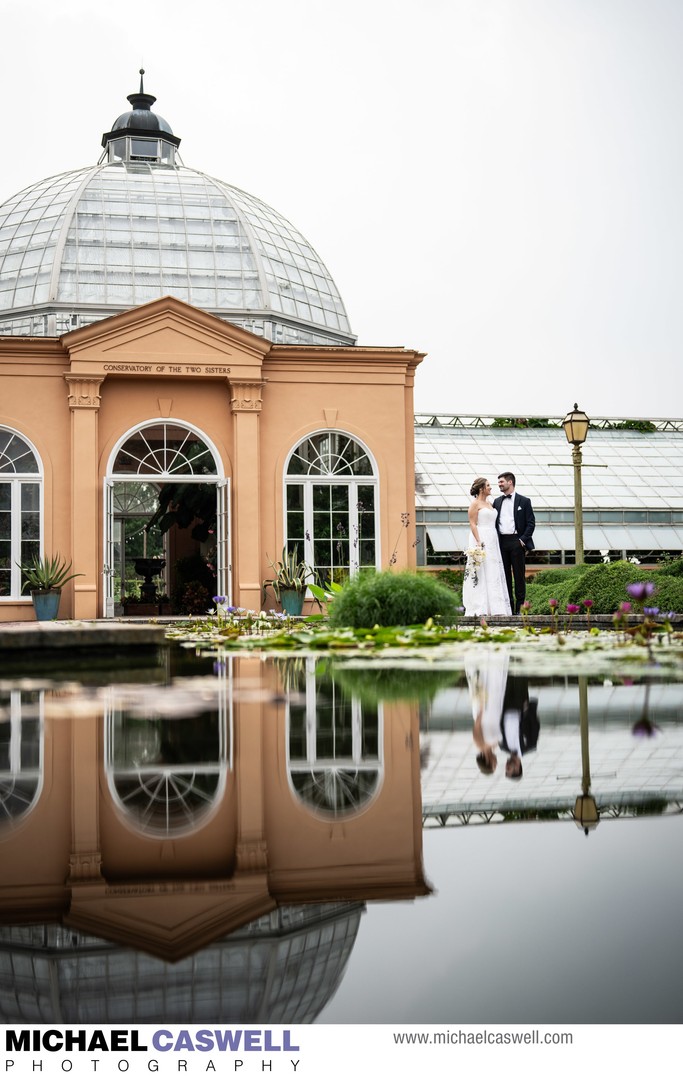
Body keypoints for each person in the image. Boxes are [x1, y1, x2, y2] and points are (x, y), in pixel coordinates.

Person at [462, 477, 512, 617]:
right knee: (481, 571)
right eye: (488, 485)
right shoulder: (474, 504)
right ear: (481, 488)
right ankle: (480, 606)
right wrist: (478, 542)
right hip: (481, 537)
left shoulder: (490, 503)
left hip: (493, 538)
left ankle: (496, 607)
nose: (491, 487)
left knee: (493, 571)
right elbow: (472, 523)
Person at [493, 472, 535, 614]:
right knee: (504, 577)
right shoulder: (496, 502)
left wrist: (522, 541)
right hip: (502, 543)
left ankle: (520, 609)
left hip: (517, 542)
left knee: (519, 577)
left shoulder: (524, 501)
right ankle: (508, 608)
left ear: (510, 482)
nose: (499, 484)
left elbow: (531, 523)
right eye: (499, 482)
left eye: (501, 481)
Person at [466, 651, 509, 775]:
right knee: (496, 681)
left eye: (494, 765)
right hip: (495, 711)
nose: (496, 763)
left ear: (488, 763)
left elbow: (477, 725)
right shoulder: (494, 746)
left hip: (485, 709)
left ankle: (486, 652)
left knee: (488, 680)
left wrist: (481, 706)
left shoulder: (479, 744)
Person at [498, 675, 540, 780]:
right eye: (509, 770)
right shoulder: (530, 746)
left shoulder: (503, 747)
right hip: (520, 705)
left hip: (505, 705)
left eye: (505, 770)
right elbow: (535, 726)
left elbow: (499, 729)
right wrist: (529, 708)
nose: (506, 767)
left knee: (506, 677)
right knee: (520, 676)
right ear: (517, 769)